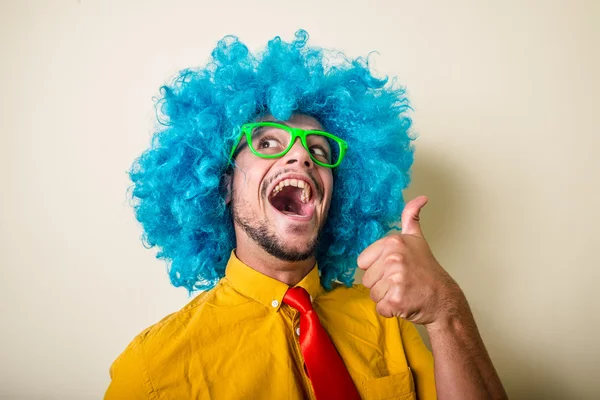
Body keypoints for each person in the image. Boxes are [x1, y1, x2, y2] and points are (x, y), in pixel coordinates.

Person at [104, 30, 507, 400]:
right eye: (268, 143)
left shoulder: (390, 320)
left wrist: (445, 311)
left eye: (319, 151)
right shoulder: (152, 370)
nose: (300, 155)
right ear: (223, 185)